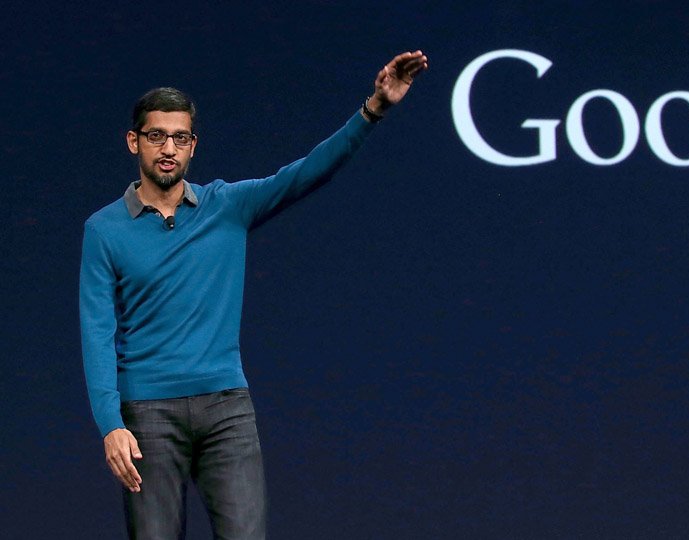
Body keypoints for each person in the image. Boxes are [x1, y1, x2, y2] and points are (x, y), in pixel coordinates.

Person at [79, 50, 428, 539]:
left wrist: (373, 109)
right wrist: (110, 423)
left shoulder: (227, 205)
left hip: (226, 411)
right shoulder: (103, 229)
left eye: (180, 138)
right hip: (147, 417)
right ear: (133, 141)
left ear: (193, 146)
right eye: (157, 136)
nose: (168, 148)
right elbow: (96, 331)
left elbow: (308, 172)